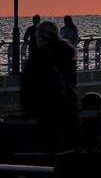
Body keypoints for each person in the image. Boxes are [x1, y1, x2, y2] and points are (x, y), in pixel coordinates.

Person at [20, 20, 78, 151]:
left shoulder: (40, 56)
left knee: (49, 146)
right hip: (68, 106)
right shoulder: (67, 52)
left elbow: (28, 84)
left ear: (41, 36)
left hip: (48, 108)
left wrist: (28, 109)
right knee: (68, 147)